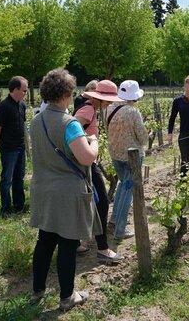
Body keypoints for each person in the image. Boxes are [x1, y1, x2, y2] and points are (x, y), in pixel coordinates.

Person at [30, 69, 101, 311]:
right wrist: (94, 142)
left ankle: (37, 291)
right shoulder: (69, 123)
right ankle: (67, 297)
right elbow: (86, 158)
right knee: (68, 245)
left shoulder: (36, 120)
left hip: (43, 189)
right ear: (66, 94)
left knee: (45, 241)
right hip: (67, 192)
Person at [75, 80, 124, 263]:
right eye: (108, 100)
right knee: (102, 202)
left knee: (90, 202)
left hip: (87, 161)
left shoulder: (91, 108)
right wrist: (90, 141)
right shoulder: (87, 110)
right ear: (100, 99)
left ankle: (77, 242)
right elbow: (73, 129)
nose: (110, 103)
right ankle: (103, 248)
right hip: (87, 163)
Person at [107, 80, 148, 240]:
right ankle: (120, 229)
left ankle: (113, 220)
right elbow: (143, 138)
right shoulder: (133, 112)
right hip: (132, 157)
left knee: (121, 186)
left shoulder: (110, 108)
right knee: (128, 190)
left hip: (115, 154)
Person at [0, 76, 28, 217]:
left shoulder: (22, 105)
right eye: (24, 90)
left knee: (19, 177)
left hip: (20, 147)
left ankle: (19, 206)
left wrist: (27, 142)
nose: (26, 93)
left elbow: (24, 126)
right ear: (15, 89)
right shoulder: (4, 106)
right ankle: (6, 209)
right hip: (8, 148)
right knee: (7, 178)